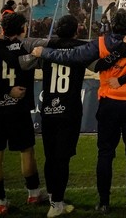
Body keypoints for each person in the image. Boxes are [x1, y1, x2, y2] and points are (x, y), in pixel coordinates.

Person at [32, 9, 126, 214]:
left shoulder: (100, 43)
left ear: (111, 23)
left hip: (108, 104)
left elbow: (71, 56)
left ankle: (103, 203)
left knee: (105, 154)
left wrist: (44, 52)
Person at [27, 15, 87, 217]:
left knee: (51, 156)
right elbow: (100, 65)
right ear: (76, 30)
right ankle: (57, 204)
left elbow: (24, 62)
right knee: (62, 158)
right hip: (69, 111)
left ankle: (53, 196)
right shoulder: (82, 47)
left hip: (48, 109)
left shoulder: (46, 46)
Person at [0, 13, 48, 216]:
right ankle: (33, 193)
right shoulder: (27, 47)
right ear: (22, 28)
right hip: (19, 108)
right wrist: (10, 91)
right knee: (26, 151)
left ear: (2, 29)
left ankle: (0, 202)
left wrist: (3, 92)